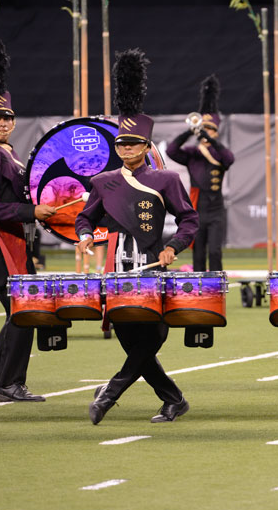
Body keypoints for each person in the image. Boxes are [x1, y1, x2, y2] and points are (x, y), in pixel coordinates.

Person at [77, 49, 199, 425]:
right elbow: (85, 217)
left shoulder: (166, 179)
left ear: (147, 147)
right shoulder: (103, 181)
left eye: (134, 144)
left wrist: (171, 247)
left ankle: (110, 394)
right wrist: (83, 235)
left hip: (152, 272)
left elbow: (189, 220)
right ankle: (174, 399)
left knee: (153, 337)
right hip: (116, 271)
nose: (127, 149)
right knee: (134, 342)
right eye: (121, 145)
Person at [0, 38, 55, 402]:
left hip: (14, 237)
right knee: (24, 308)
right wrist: (30, 211)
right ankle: (8, 382)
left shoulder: (10, 154)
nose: (3, 122)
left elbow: (21, 194)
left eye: (8, 117)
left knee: (23, 306)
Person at [166, 75, 233, 272]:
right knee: (198, 251)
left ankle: (216, 284)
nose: (206, 134)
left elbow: (229, 158)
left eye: (210, 130)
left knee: (214, 250)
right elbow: (171, 150)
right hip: (198, 206)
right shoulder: (193, 154)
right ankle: (199, 287)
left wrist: (209, 139)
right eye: (204, 130)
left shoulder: (218, 152)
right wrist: (190, 131)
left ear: (216, 132)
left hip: (216, 208)